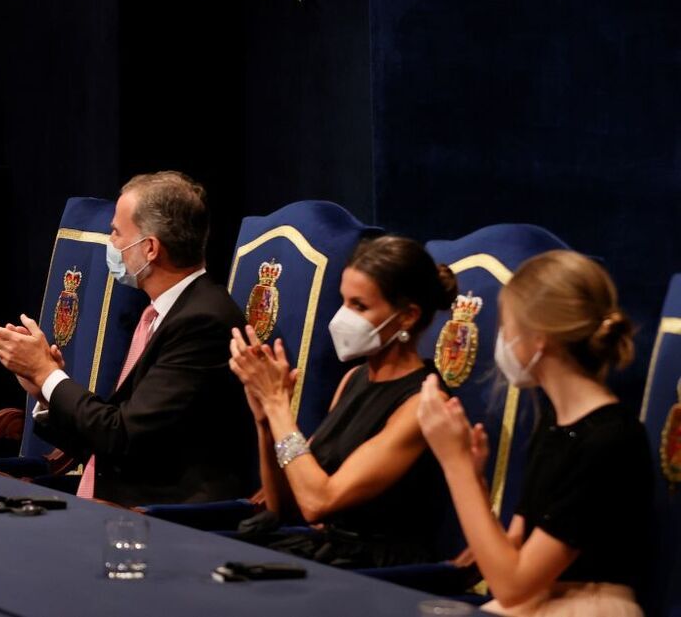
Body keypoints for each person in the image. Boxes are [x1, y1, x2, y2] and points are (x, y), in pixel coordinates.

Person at [0, 172, 257, 506]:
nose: (111, 244)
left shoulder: (202, 323)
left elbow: (122, 437)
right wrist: (43, 389)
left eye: (116, 232)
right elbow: (108, 439)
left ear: (150, 248)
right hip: (115, 505)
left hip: (163, 521)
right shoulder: (161, 314)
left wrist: (48, 373)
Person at [417, 250, 653, 616]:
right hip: (538, 601)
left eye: (506, 326)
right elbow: (506, 564)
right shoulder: (554, 422)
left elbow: (512, 585)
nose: (503, 339)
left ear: (539, 338)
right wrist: (475, 480)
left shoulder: (610, 439)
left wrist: (456, 465)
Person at [228, 235, 458, 568]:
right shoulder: (354, 379)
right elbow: (287, 506)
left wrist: (280, 408)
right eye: (344, 302)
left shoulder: (424, 403)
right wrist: (265, 419)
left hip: (381, 572)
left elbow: (319, 502)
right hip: (325, 554)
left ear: (407, 316)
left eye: (360, 306)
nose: (342, 317)